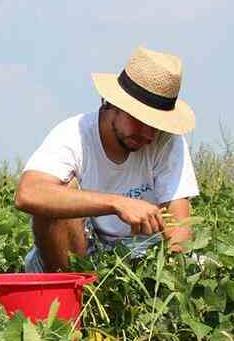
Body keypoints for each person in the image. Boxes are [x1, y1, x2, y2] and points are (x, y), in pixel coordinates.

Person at [15, 45, 199, 272]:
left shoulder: (167, 141)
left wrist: (170, 277)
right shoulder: (74, 134)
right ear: (113, 104)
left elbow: (178, 228)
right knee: (58, 196)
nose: (148, 134)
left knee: (203, 269)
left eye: (156, 125)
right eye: (139, 120)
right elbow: (28, 194)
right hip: (81, 247)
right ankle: (70, 288)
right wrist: (117, 203)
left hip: (140, 251)